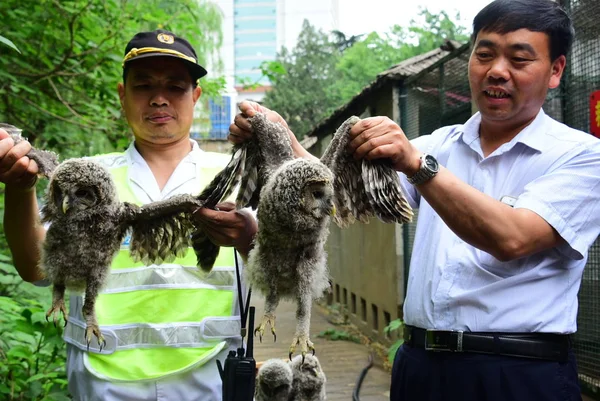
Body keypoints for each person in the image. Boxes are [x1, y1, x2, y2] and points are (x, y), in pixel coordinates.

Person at [231, 0, 600, 400]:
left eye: (519, 58)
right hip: (421, 367)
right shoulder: (440, 144)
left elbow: (513, 237)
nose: (497, 70)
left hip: (518, 373)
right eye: (485, 53)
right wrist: (278, 135)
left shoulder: (582, 156)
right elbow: (336, 192)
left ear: (556, 70)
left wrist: (416, 165)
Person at [0, 29, 267, 401]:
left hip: (209, 375)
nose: (159, 99)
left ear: (196, 96)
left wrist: (247, 236)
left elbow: (287, 263)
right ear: (123, 95)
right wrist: (19, 188)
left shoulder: (240, 177)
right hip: (103, 380)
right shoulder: (84, 175)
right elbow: (37, 267)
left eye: (175, 86)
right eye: (143, 85)